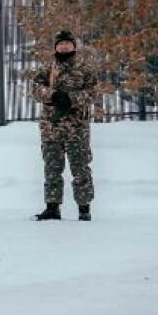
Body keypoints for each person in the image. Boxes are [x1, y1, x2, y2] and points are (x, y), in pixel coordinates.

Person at [31, 30, 97, 221]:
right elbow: (35, 89)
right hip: (51, 128)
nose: (64, 47)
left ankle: (84, 209)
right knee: (52, 169)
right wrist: (52, 95)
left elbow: (92, 91)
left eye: (68, 43)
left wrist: (71, 99)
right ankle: (52, 208)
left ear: (74, 46)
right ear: (56, 47)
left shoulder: (84, 69)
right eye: (61, 44)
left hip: (77, 129)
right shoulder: (47, 68)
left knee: (81, 169)